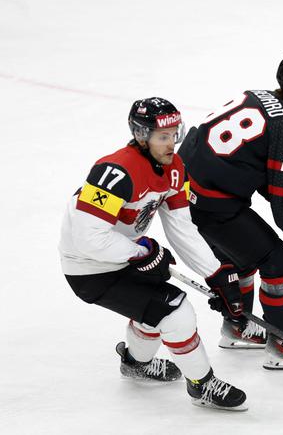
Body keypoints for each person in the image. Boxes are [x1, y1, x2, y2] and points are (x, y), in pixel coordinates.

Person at [58, 97, 247, 411]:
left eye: (174, 134)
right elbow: (87, 238)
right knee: (176, 312)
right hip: (89, 268)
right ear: (141, 136)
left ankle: (135, 362)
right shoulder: (115, 171)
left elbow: (181, 227)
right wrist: (141, 252)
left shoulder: (175, 168)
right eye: (163, 136)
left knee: (155, 310)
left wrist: (216, 273)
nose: (172, 143)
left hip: (121, 257)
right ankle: (202, 384)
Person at [177, 51, 283, 369]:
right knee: (280, 261)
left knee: (240, 254)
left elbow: (256, 168)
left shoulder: (258, 96)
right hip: (213, 204)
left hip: (184, 190)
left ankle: (239, 328)